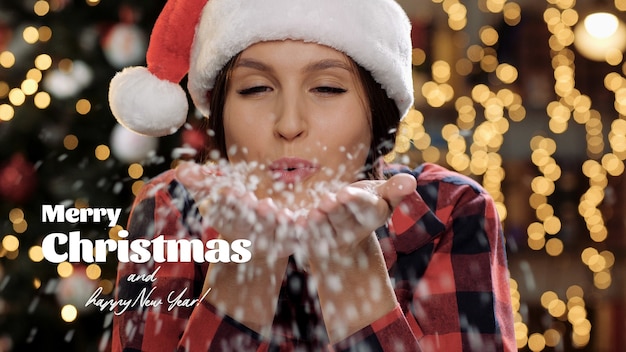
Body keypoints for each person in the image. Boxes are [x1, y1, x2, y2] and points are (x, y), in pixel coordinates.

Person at [108, 0, 515, 351]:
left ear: (377, 110)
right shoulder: (172, 211)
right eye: (254, 89)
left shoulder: (448, 210)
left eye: (326, 88)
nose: (289, 123)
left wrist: (353, 274)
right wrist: (239, 285)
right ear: (219, 114)